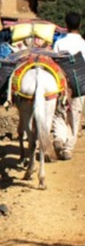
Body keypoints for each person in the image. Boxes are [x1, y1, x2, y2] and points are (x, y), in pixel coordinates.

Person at [53, 12, 85, 159]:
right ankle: (67, 149)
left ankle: (59, 137)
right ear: (80, 25)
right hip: (79, 87)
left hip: (62, 85)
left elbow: (54, 64)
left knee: (59, 113)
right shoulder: (83, 44)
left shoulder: (59, 43)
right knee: (74, 117)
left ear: (66, 26)